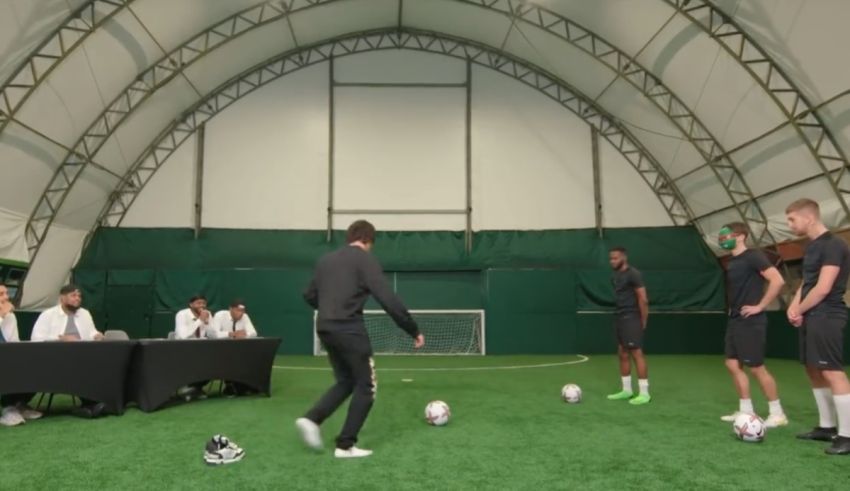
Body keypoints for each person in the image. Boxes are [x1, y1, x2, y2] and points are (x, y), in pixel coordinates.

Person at [295, 220, 424, 458]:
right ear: (368, 240)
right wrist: (413, 330)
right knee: (367, 385)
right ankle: (345, 445)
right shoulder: (365, 259)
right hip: (350, 329)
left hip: (324, 326)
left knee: (346, 381)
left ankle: (311, 419)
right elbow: (388, 298)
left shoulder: (326, 260)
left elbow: (309, 294)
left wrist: (329, 309)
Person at [785, 198, 850, 455]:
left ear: (809, 217)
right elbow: (808, 282)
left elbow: (823, 288)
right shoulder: (812, 247)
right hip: (811, 314)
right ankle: (826, 427)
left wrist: (800, 309)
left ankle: (846, 434)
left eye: (792, 219)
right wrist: (794, 304)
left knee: (833, 372)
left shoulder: (835, 244)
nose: (790, 225)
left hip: (827, 314)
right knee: (813, 369)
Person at [717, 223, 788, 427]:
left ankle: (777, 414)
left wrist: (760, 306)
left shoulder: (753, 256)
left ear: (741, 236)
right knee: (732, 363)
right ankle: (745, 411)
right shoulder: (732, 261)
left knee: (756, 368)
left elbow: (777, 280)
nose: (722, 240)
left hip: (751, 320)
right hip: (735, 319)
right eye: (721, 237)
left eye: (726, 235)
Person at [31, 284, 106, 418]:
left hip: (83, 354)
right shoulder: (48, 315)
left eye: (79, 296)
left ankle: (96, 403)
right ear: (62, 298)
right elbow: (36, 338)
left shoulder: (85, 314)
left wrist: (97, 335)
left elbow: (91, 332)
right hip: (55, 358)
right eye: (73, 295)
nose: (77, 299)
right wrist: (60, 339)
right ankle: (91, 404)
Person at [606, 246, 651, 405]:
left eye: (615, 258)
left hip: (632, 317)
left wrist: (643, 320)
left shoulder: (634, 274)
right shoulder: (616, 275)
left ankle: (644, 393)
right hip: (620, 316)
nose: (612, 261)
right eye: (611, 258)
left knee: (636, 353)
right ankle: (627, 390)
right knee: (622, 352)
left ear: (624, 258)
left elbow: (643, 299)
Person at [0, 282, 42, 427]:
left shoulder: (11, 317)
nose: (6, 297)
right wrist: (2, 316)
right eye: (1, 294)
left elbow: (13, 343)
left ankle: (20, 404)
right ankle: (8, 408)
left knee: (37, 367)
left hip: (6, 358)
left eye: (6, 293)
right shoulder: (6, 315)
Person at [211, 300, 258, 397]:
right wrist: (230, 334)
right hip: (219, 350)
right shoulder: (220, 315)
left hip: (238, 350)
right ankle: (230, 385)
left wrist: (244, 335)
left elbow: (253, 333)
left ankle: (246, 384)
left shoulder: (245, 316)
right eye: (238, 310)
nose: (241, 313)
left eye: (242, 310)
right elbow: (213, 334)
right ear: (230, 309)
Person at [174, 295, 212, 400]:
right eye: (198, 303)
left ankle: (195, 388)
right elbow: (183, 336)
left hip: (200, 349)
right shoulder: (182, 314)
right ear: (190, 304)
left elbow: (212, 335)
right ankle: (188, 388)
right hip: (182, 349)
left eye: (203, 303)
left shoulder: (207, 314)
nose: (202, 305)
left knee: (213, 362)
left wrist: (207, 323)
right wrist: (199, 321)